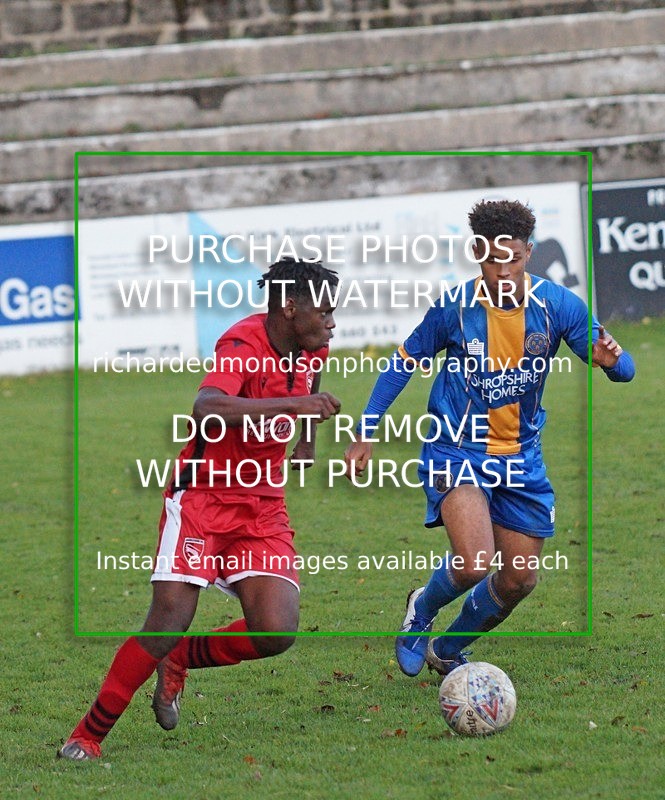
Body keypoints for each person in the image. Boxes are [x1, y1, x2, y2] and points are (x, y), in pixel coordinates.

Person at [59, 258, 341, 760]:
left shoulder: (310, 347)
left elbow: (310, 390)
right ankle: (87, 736)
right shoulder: (242, 344)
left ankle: (182, 659)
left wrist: (306, 444)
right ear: (290, 307)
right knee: (168, 618)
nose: (333, 322)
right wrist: (292, 411)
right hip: (202, 499)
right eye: (325, 311)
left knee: (276, 630)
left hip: (262, 506)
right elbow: (207, 407)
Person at [344, 200, 635, 678]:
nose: (501, 271)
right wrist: (366, 428)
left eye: (513, 259)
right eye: (491, 259)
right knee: (475, 560)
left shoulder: (558, 306)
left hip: (521, 457)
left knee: (519, 579)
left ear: (529, 253)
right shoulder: (453, 308)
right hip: (455, 448)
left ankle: (448, 646)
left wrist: (613, 362)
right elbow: (401, 363)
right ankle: (420, 611)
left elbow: (622, 369)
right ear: (476, 251)